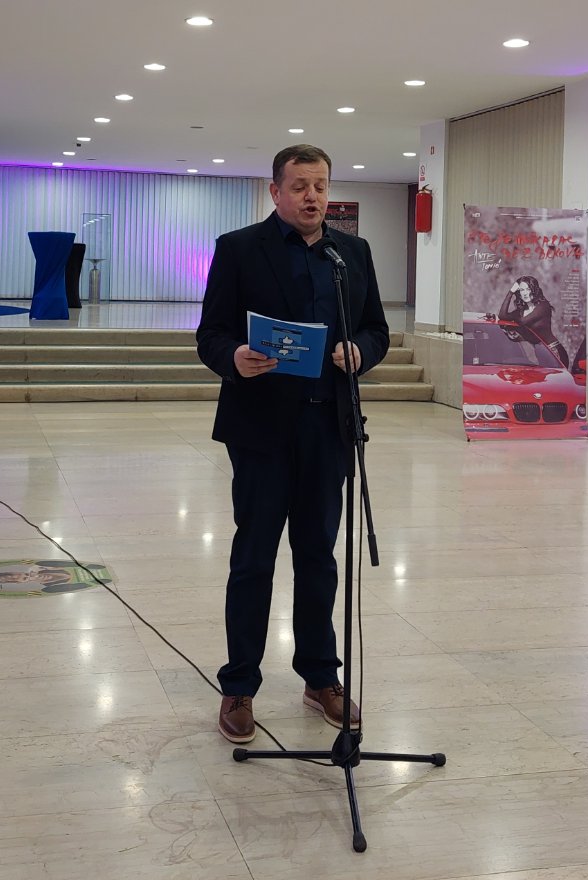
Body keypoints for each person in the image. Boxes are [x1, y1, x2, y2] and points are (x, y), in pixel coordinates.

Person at [196, 143, 390, 745]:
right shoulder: (239, 249)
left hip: (328, 428)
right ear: (275, 191)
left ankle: (320, 677)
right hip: (261, 430)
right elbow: (211, 333)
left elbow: (376, 329)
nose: (312, 197)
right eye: (300, 186)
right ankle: (239, 685)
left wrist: (360, 351)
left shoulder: (350, 254)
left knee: (318, 558)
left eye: (321, 186)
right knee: (254, 558)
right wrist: (234, 357)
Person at [495, 275, 570, 369]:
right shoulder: (521, 312)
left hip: (554, 352)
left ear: (534, 290)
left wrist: (514, 320)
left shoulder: (543, 306)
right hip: (540, 352)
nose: (525, 293)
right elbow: (502, 316)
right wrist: (510, 292)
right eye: (522, 290)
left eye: (528, 289)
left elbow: (523, 321)